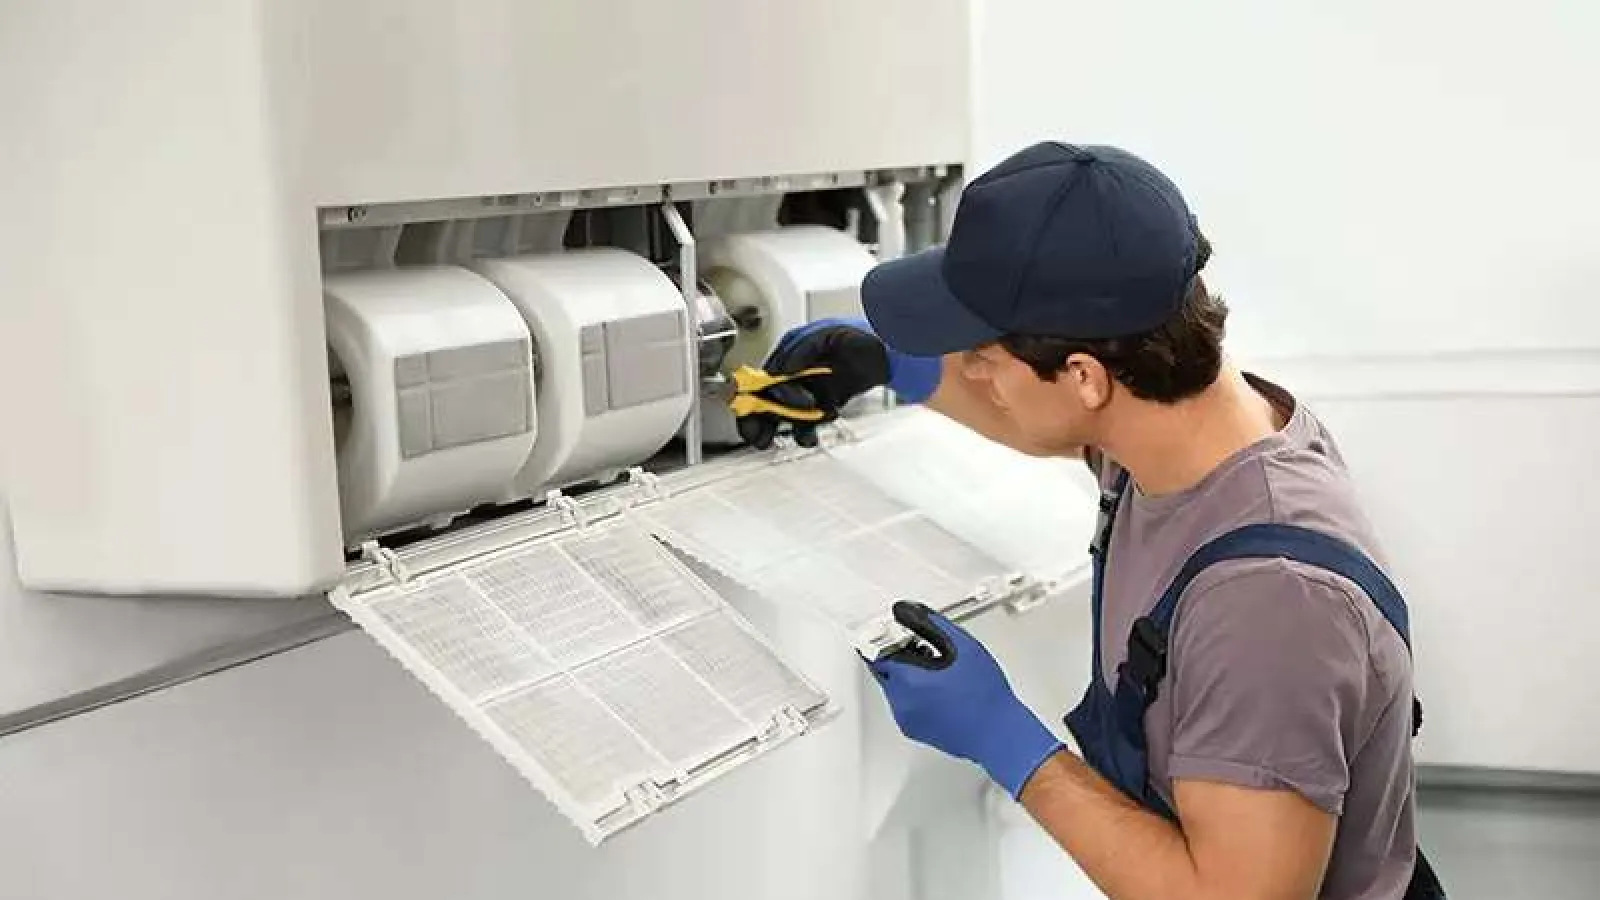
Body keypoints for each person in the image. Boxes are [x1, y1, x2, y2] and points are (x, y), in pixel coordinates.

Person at [738, 142, 1446, 900]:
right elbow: (1050, 418)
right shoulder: (1199, 424)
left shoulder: (1269, 601)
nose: (972, 373)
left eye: (980, 356)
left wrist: (1005, 740)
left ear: (1084, 375)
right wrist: (887, 365)